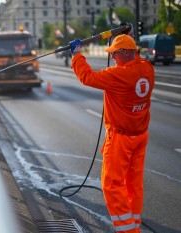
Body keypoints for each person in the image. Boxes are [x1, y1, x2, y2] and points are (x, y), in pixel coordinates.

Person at [69, 33, 155, 233]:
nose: (113, 58)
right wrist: (129, 34)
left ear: (125, 53)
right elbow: (139, 58)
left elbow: (87, 77)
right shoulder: (147, 69)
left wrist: (77, 54)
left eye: (115, 53)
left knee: (112, 185)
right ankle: (134, 225)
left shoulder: (119, 75)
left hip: (121, 139)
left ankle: (127, 230)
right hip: (140, 136)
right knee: (133, 184)